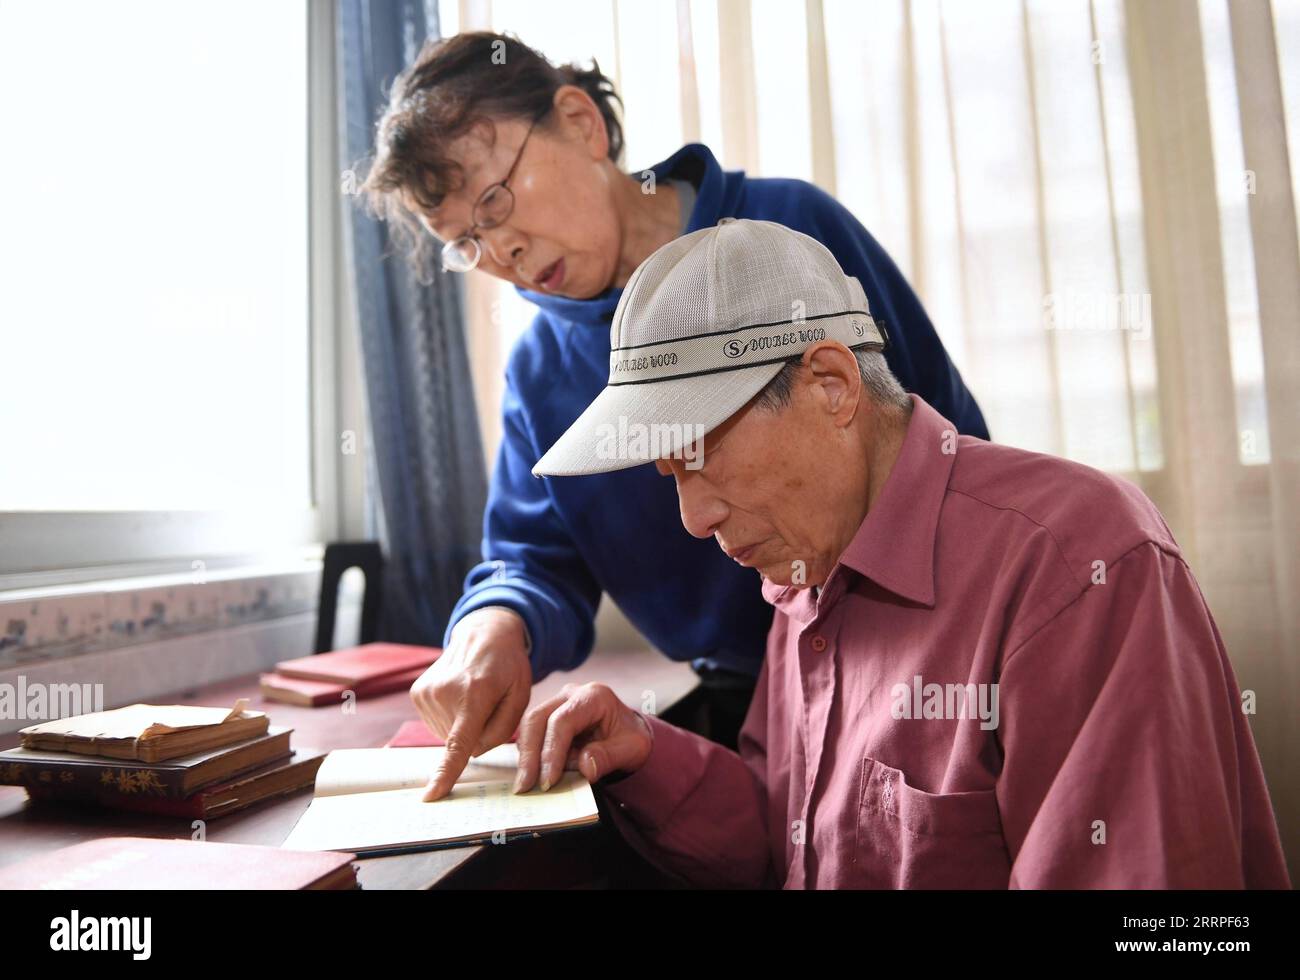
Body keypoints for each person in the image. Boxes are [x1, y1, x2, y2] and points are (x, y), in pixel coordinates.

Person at [513, 218, 1291, 889]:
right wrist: (644, 753)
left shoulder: (1077, 564)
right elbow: (797, 838)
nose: (692, 518)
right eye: (670, 474)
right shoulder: (800, 562)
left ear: (830, 385)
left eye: (700, 454)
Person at [357, 32, 987, 800]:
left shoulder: (790, 230)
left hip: (914, 661)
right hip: (743, 701)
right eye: (466, 241)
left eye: (495, 199)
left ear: (581, 122)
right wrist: (494, 626)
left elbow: (951, 439)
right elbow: (532, 559)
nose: (504, 248)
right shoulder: (539, 371)